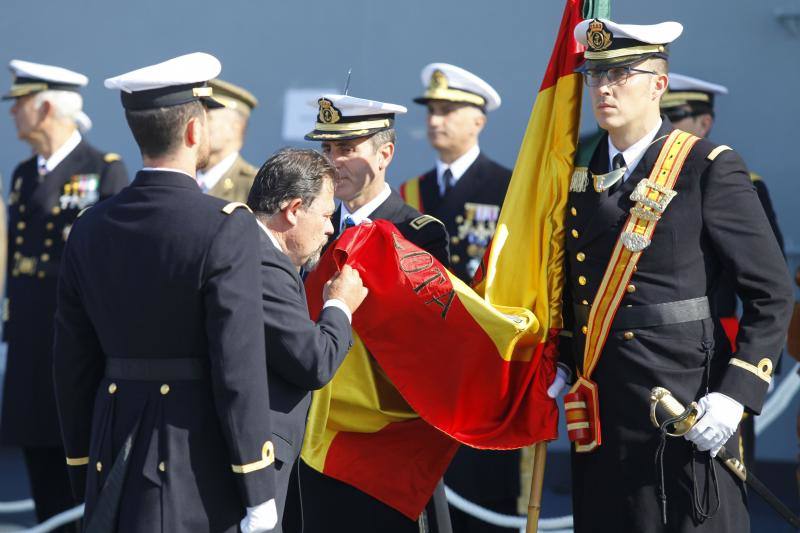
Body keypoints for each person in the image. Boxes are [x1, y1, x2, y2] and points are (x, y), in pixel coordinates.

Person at [553, 18, 793, 532]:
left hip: (687, 404)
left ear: (658, 84)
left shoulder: (708, 167)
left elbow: (770, 292)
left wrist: (735, 394)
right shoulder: (577, 175)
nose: (605, 87)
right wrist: (559, 357)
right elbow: (573, 286)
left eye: (621, 74)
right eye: (596, 76)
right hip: (602, 409)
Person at [52, 53, 277, 533]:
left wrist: (79, 463)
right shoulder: (225, 225)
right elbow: (238, 365)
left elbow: (72, 362)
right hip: (191, 460)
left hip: (110, 449)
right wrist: (257, 483)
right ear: (195, 131)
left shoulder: (89, 226)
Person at [297, 93, 452, 532]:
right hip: (318, 435)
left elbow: (423, 345)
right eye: (327, 150)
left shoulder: (417, 234)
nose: (333, 162)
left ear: (385, 154)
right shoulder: (313, 230)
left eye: (347, 149)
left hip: (385, 440)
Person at [0, 59, 128, 530]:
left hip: (74, 352)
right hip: (28, 351)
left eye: (19, 104)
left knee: (77, 487)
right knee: (38, 479)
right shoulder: (21, 175)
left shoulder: (103, 172)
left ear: (46, 106)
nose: (12, 113)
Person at [400, 62, 516, 531]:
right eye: (431, 110)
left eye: (448, 110)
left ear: (478, 120)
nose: (435, 120)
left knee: (485, 490)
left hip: (484, 362)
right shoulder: (412, 191)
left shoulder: (508, 187)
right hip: (428, 365)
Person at [661, 73, 786, 471]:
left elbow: (765, 276)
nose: (667, 125)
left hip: (716, 342)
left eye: (676, 115)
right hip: (657, 353)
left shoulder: (732, 180)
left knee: (723, 466)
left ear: (704, 123)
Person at [245, 147, 368, 531]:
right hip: (254, 463)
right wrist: (339, 306)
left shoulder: (251, 250)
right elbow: (313, 361)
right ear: (294, 209)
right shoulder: (262, 261)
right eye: (328, 215)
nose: (331, 229)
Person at [197, 78, 259, 201]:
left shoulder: (255, 187)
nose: (197, 125)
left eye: (208, 118)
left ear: (236, 126)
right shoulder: (183, 180)